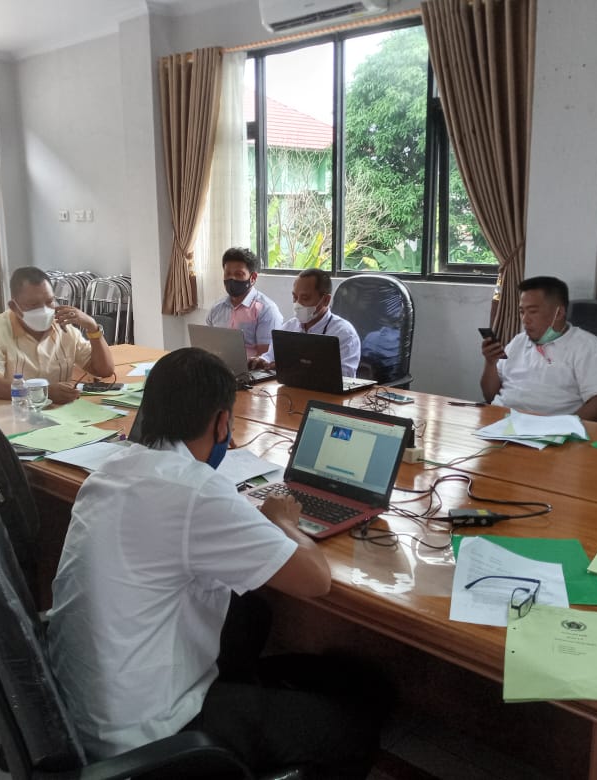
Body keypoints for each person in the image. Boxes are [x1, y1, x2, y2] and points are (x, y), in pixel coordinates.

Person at [47, 348, 384, 778]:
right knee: (352, 728)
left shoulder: (110, 471)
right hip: (148, 732)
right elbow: (315, 579)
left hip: (79, 709)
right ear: (223, 422)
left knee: (250, 612)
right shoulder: (195, 490)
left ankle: (246, 708)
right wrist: (283, 521)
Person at [480, 276, 597, 421]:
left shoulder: (588, 347)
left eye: (533, 311)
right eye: (522, 312)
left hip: (550, 427)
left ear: (559, 313)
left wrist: (563, 426)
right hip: (501, 420)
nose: (525, 320)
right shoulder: (518, 342)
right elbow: (490, 396)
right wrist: (490, 363)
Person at [0, 266, 116, 404]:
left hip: (63, 413)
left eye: (49, 302)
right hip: (15, 412)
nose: (44, 310)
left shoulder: (64, 327)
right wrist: (43, 392)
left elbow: (104, 370)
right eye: (33, 305)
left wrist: (92, 327)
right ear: (14, 307)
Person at [249, 268, 361, 377]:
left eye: (305, 298)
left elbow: (345, 376)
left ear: (325, 300)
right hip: (289, 387)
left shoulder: (344, 334)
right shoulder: (289, 328)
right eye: (295, 297)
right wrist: (262, 361)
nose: (298, 304)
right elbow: (270, 357)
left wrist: (294, 369)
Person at [205, 247, 284, 358]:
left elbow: (266, 357)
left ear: (253, 278)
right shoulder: (216, 308)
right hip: (218, 365)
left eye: (239, 274)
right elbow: (208, 345)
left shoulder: (266, 310)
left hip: (250, 368)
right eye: (227, 274)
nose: (232, 278)